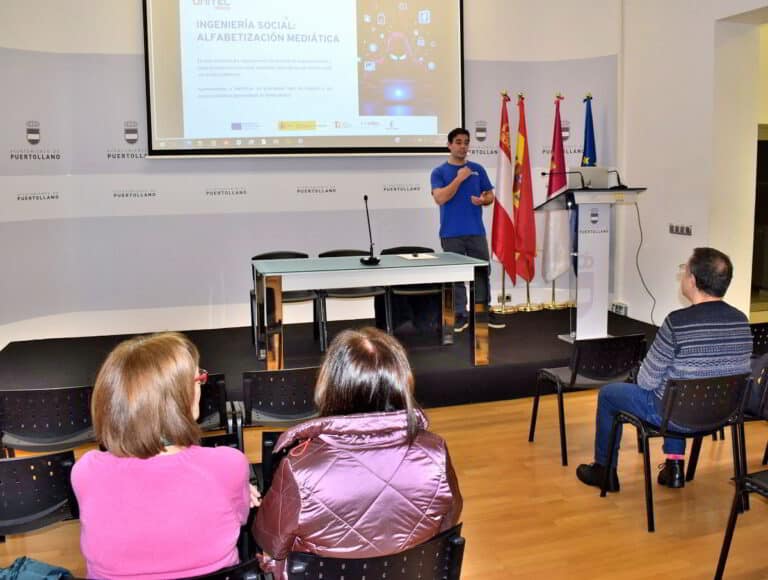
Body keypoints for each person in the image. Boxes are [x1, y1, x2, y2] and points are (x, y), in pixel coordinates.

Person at [253, 327, 462, 580]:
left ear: (329, 385)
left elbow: (271, 542)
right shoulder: (435, 454)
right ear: (403, 382)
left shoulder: (300, 468)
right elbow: (447, 523)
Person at [71, 332, 260, 579]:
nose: (200, 386)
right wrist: (238, 487)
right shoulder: (228, 466)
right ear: (180, 396)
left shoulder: (86, 472)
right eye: (199, 379)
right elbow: (240, 516)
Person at [576, 247, 753, 492]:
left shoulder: (677, 322)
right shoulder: (741, 320)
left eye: (684, 270)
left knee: (609, 394)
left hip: (676, 414)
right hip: (722, 414)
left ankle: (604, 471)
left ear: (692, 280)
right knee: (677, 390)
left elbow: (646, 381)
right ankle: (673, 467)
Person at [431, 127, 505, 331]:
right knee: (455, 276)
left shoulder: (478, 169)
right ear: (449, 145)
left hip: (476, 231)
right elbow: (440, 198)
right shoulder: (439, 172)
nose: (463, 146)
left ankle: (482, 312)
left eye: (466, 142)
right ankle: (459, 314)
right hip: (451, 232)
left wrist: (484, 200)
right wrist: (459, 178)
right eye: (458, 142)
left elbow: (489, 196)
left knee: (481, 273)